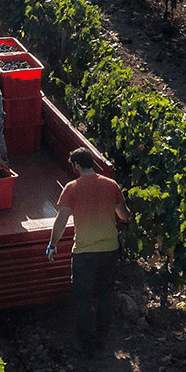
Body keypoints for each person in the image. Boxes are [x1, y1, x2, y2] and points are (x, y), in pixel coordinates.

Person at [45, 148, 128, 356]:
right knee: (105, 295)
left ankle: (86, 345)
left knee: (82, 300)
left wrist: (52, 244)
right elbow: (124, 215)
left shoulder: (71, 188)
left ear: (77, 166)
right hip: (110, 249)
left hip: (84, 252)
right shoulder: (111, 185)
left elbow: (61, 220)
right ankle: (101, 340)